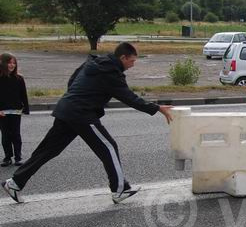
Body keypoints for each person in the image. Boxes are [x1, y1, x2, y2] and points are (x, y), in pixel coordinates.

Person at [2, 43, 173, 204]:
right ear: (123, 57)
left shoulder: (94, 63)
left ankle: (15, 183)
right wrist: (157, 108)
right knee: (109, 147)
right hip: (82, 114)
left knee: (47, 150)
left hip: (67, 109)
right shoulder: (111, 73)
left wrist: (75, 97)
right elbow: (129, 97)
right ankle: (119, 189)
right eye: (132, 60)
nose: (133, 64)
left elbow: (72, 80)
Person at [0, 53, 30, 167]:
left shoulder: (19, 78)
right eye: (9, 62)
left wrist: (26, 108)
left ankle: (18, 157)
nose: (12, 65)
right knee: (5, 135)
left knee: (16, 134)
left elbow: (23, 95)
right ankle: (7, 157)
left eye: (14, 63)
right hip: (2, 112)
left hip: (16, 111)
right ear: (2, 63)